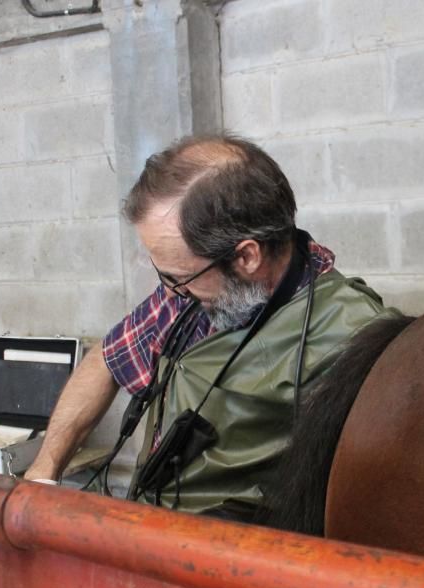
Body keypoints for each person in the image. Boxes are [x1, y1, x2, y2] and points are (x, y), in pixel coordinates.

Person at [23, 134, 398, 522]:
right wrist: (44, 469)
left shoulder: (354, 338)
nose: (171, 290)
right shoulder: (192, 295)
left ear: (247, 257)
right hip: (152, 533)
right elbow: (107, 360)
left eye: (180, 276)